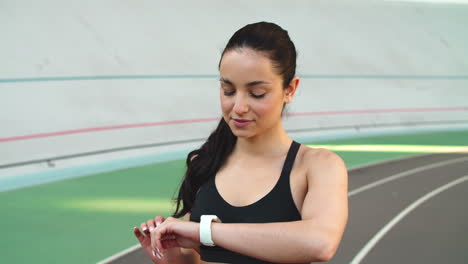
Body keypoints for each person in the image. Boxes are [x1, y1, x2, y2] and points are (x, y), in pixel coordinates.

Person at [133, 21, 348, 264]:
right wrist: (171, 258)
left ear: (290, 89)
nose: (239, 107)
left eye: (257, 93)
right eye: (228, 90)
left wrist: (205, 232)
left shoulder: (317, 166)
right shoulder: (204, 163)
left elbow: (320, 244)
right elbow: (193, 258)